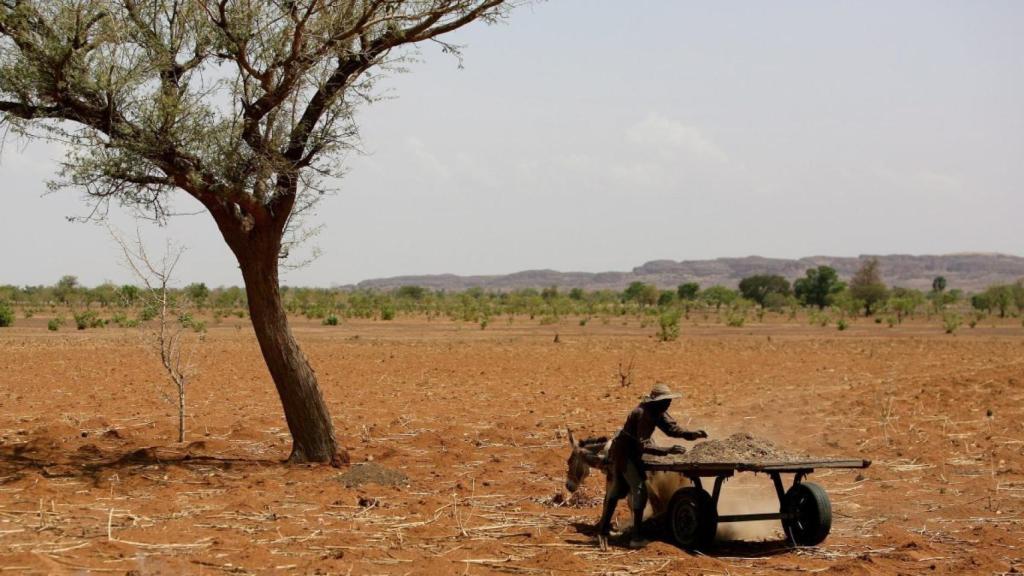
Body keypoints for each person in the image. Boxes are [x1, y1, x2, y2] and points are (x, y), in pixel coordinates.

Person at [597, 382, 707, 549]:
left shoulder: (658, 411)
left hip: (631, 452)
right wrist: (668, 450)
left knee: (618, 489)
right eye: (666, 401)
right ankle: (636, 537)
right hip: (625, 453)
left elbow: (672, 429)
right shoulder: (644, 414)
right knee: (639, 489)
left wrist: (691, 434)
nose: (669, 403)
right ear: (657, 401)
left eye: (669, 400)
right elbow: (645, 445)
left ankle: (603, 529)